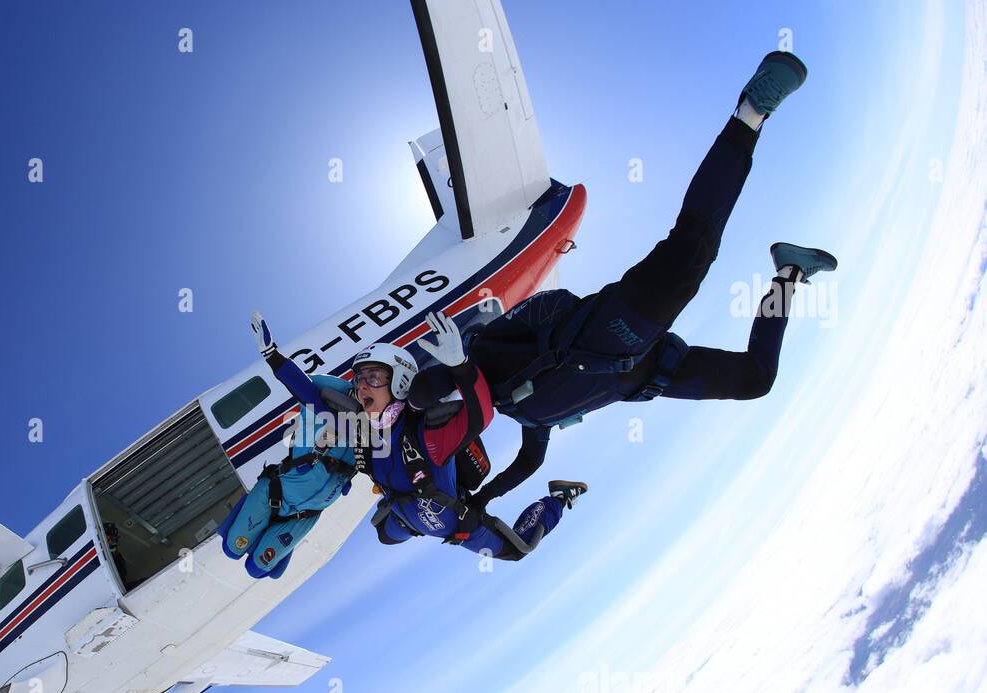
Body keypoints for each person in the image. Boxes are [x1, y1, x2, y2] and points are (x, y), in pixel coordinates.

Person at [464, 51, 839, 511]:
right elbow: (527, 464)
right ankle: (790, 272)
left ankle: (751, 112)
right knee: (755, 379)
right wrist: (482, 499)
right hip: (653, 373)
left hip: (614, 326)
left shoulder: (484, 356)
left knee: (693, 249)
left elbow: (547, 304)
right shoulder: (523, 413)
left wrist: (583, 324)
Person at [355, 313, 588, 561]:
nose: (362, 387)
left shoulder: (425, 433)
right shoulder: (371, 425)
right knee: (384, 534)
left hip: (443, 521)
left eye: (373, 377)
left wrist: (481, 500)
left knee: (519, 549)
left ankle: (559, 499)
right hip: (414, 517)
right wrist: (460, 367)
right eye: (359, 380)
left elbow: (491, 425)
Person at [217, 312, 360, 578]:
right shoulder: (325, 410)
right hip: (278, 493)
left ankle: (269, 545)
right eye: (362, 382)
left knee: (257, 569)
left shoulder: (373, 435)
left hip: (306, 514)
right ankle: (254, 517)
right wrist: (271, 354)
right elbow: (302, 387)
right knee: (232, 549)